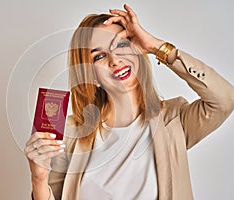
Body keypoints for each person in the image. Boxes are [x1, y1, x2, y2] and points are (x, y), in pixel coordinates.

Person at [24, 4, 234, 200]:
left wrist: (157, 47)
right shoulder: (72, 134)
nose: (115, 60)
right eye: (99, 56)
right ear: (92, 76)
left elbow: (225, 100)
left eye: (122, 45)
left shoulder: (174, 119)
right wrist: (38, 179)